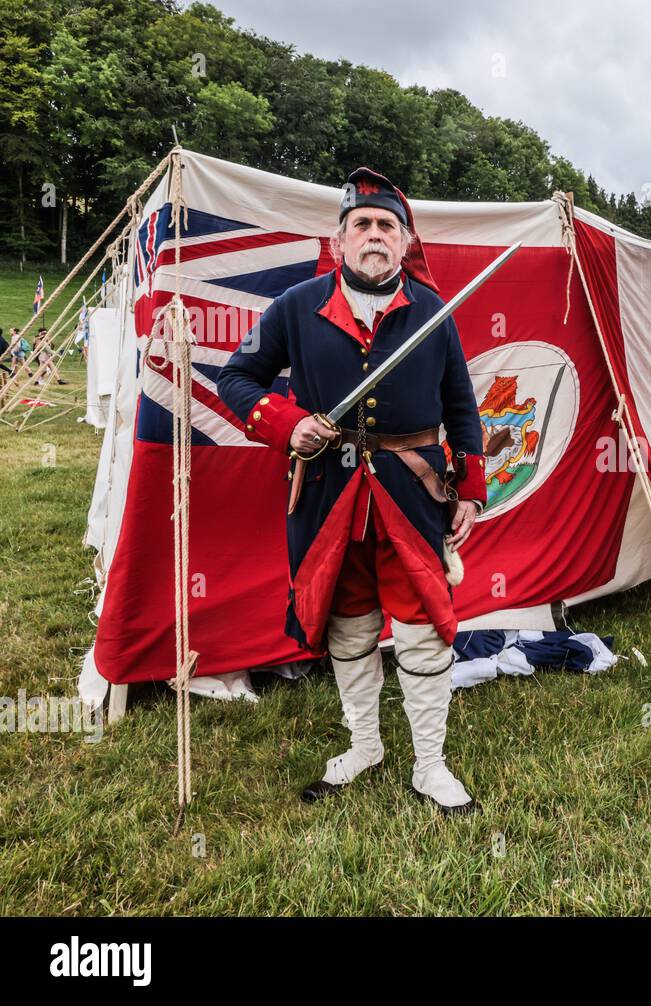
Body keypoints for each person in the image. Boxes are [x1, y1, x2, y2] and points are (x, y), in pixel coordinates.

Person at [217, 167, 488, 814]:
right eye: (361, 225)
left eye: (386, 226)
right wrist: (288, 423)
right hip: (328, 498)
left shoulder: (434, 312)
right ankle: (364, 744)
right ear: (339, 242)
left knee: (423, 626)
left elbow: (461, 404)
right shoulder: (294, 307)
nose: (373, 235)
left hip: (413, 496)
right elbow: (237, 379)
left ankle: (430, 765)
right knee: (348, 624)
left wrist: (471, 490)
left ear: (403, 242)